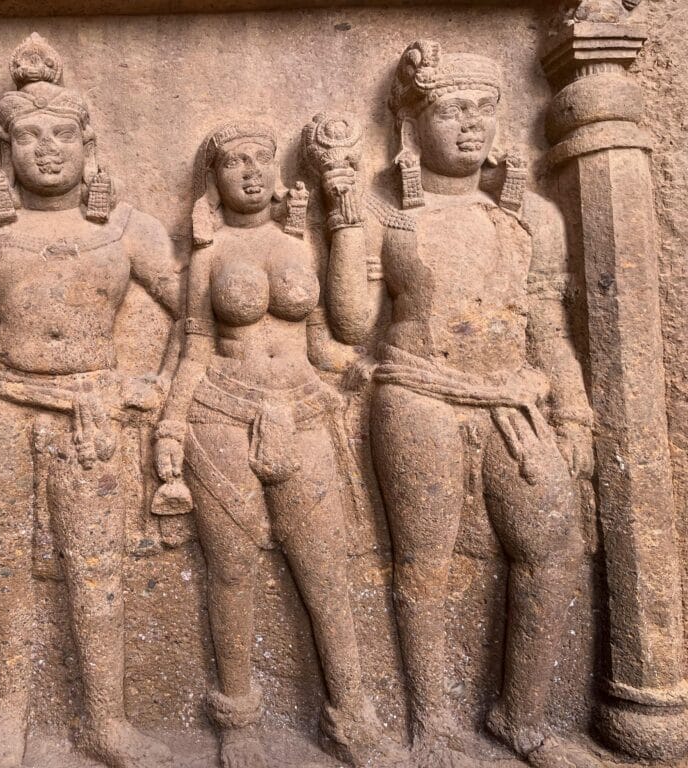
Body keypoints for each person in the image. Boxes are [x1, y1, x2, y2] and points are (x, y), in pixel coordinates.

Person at [0, 33, 182, 768]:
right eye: (29, 137)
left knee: (97, 570)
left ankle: (106, 721)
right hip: (1, 406)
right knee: (4, 569)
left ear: (87, 142)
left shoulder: (125, 227)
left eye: (62, 134)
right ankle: (10, 712)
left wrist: (151, 385)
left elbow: (200, 311)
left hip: (91, 411)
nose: (48, 149)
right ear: (6, 150)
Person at [329, 40, 597, 768]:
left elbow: (548, 328)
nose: (470, 125)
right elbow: (353, 324)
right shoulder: (389, 215)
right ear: (415, 124)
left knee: (553, 546)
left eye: (483, 109)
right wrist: (345, 214)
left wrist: (572, 411)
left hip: (514, 399)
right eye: (452, 109)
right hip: (418, 394)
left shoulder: (531, 217)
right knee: (424, 561)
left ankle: (525, 717)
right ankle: (433, 722)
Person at [154, 120, 403, 768]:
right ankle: (237, 714)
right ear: (215, 179)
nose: (250, 171)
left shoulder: (299, 240)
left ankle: (350, 712)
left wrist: (354, 368)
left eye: (259, 159)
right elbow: (194, 347)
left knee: (325, 569)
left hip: (301, 412)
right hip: (221, 413)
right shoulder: (207, 252)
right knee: (231, 571)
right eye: (234, 162)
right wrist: (172, 428)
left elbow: (326, 338)